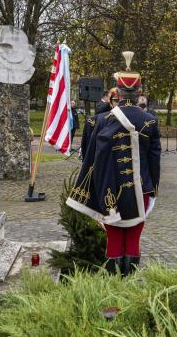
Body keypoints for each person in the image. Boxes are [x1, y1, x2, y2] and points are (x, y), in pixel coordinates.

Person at [66, 70, 161, 276]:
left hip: (108, 190)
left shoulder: (101, 120)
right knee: (134, 238)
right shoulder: (150, 121)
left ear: (117, 91)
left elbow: (91, 159)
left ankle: (113, 285)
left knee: (115, 238)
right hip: (141, 190)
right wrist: (153, 190)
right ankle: (130, 284)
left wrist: (90, 189)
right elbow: (155, 162)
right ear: (139, 91)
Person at [81, 87, 117, 158]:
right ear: (106, 97)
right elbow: (100, 111)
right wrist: (109, 102)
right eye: (114, 99)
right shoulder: (101, 104)